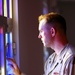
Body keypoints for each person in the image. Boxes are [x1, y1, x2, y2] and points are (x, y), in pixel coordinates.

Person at [7, 12, 75, 75]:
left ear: (52, 32)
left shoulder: (70, 58)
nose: (39, 36)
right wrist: (19, 73)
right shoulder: (51, 59)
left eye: (41, 31)